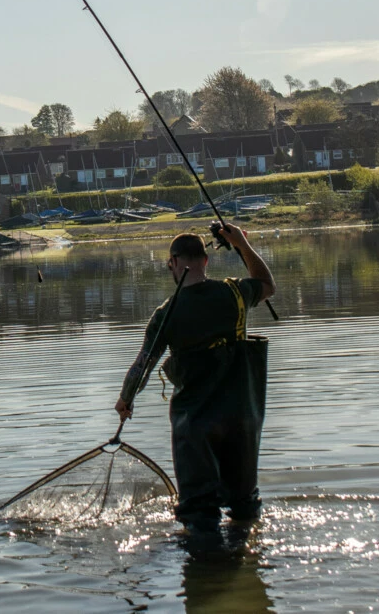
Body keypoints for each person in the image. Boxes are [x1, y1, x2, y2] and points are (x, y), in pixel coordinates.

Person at [114, 223, 275, 532]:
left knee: (199, 516)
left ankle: (204, 556)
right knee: (245, 507)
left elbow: (143, 364)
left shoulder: (166, 313)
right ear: (206, 260)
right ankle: (246, 555)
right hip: (242, 420)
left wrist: (126, 399)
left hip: (195, 424)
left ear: (173, 262)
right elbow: (268, 284)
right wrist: (242, 245)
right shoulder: (236, 293)